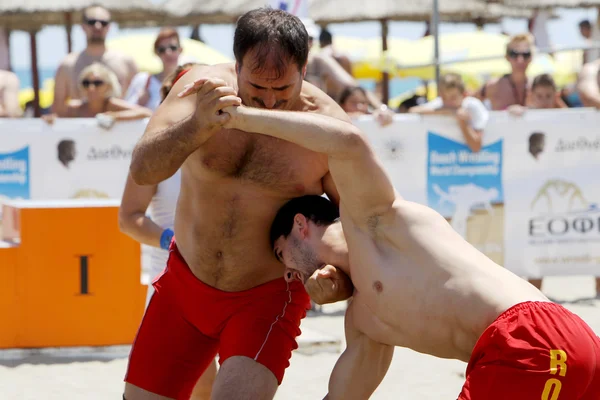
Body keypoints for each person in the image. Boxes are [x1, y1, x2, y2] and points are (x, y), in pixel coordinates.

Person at [221, 102, 600, 400]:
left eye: (280, 254)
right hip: (562, 343)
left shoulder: (373, 218)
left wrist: (239, 118)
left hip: (527, 336)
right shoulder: (365, 320)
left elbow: (346, 142)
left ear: (300, 225)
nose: (287, 273)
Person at [124, 8, 353, 400]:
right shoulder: (198, 88)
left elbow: (357, 224)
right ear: (236, 65)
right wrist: (197, 126)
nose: (267, 103)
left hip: (266, 296)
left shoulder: (328, 126)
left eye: (282, 91)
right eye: (256, 88)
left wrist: (339, 281)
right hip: (184, 281)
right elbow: (144, 170)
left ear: (304, 68)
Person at [119, 63, 217, 400]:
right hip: (171, 280)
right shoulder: (153, 150)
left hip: (230, 279)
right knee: (192, 380)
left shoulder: (230, 144)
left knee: (219, 380)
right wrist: (172, 241)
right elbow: (129, 218)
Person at [52, 4, 138, 116]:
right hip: (80, 130)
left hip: (120, 130)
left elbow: (138, 103)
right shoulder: (67, 65)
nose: (98, 26)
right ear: (83, 26)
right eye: (92, 22)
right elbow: (58, 110)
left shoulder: (126, 62)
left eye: (103, 23)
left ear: (109, 27)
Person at [44, 63, 152, 128]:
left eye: (97, 83)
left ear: (108, 86)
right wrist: (51, 120)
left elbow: (147, 112)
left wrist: (114, 117)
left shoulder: (112, 105)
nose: (91, 88)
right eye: (86, 83)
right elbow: (54, 117)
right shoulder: (75, 108)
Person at [410, 73, 489, 152]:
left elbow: (476, 147)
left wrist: (462, 122)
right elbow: (412, 111)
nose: (448, 102)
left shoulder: (473, 106)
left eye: (453, 97)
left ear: (464, 95)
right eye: (444, 97)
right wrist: (447, 111)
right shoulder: (441, 103)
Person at [125, 28, 183, 111]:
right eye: (162, 49)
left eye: (173, 48)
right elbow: (125, 111)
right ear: (156, 53)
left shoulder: (190, 82)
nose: (168, 52)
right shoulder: (143, 80)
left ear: (180, 50)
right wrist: (137, 101)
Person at [478, 34, 533, 111]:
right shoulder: (493, 86)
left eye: (526, 54)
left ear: (532, 57)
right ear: (506, 57)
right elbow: (466, 103)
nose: (520, 60)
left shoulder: (538, 87)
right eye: (514, 54)